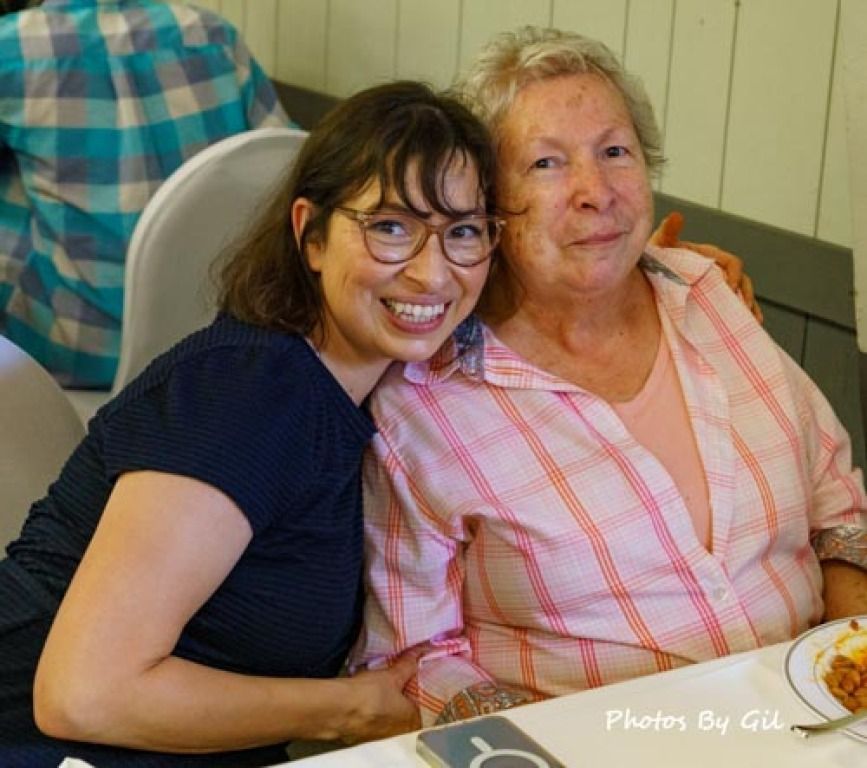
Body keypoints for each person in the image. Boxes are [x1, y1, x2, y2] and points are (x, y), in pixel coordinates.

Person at [353, 26, 867, 726]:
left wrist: (844, 668)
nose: (594, 191)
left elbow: (836, 502)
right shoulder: (425, 400)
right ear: (486, 203)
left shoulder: (709, 297)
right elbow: (411, 658)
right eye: (545, 163)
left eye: (614, 152)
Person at [0, 80, 502, 766]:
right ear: (310, 234)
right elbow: (85, 694)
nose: (430, 272)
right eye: (390, 226)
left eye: (463, 232)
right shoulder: (250, 392)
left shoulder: (350, 386)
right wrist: (350, 710)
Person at [0, 0, 290, 389]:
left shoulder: (12, 50)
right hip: (210, 339)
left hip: (73, 349)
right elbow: (287, 164)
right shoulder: (212, 35)